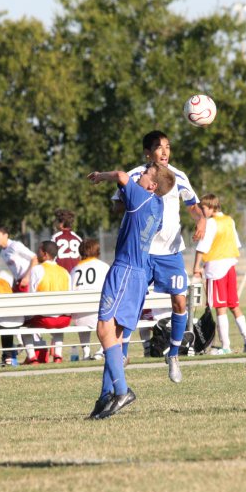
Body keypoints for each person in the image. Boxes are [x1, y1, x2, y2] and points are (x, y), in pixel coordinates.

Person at [113, 130, 205, 383]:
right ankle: (121, 354)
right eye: (158, 147)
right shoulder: (135, 175)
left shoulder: (178, 176)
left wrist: (201, 222)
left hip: (170, 252)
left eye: (167, 146)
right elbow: (116, 205)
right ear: (147, 152)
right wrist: (135, 195)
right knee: (132, 303)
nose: (164, 151)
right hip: (140, 252)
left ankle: (173, 355)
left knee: (180, 302)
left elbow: (194, 207)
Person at [88, 161, 176, 419]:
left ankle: (122, 391)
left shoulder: (142, 197)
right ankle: (106, 397)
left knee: (103, 329)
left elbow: (120, 175)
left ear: (153, 185)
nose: (140, 175)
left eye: (145, 173)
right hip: (139, 274)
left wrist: (99, 175)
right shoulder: (158, 206)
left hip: (125, 270)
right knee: (113, 336)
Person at [192, 193, 246, 354]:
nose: (202, 211)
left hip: (216, 269)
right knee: (234, 305)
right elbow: (236, 244)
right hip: (231, 266)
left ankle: (226, 346)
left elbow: (202, 247)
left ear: (211, 207)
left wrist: (196, 267)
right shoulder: (229, 220)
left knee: (220, 307)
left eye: (203, 208)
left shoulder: (211, 223)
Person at [21, 240, 71, 364]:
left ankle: (32, 358)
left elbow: (31, 296)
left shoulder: (37, 270)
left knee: (23, 326)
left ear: (45, 254)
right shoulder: (65, 272)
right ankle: (58, 356)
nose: (37, 253)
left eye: (39, 250)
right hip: (62, 319)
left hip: (44, 318)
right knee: (59, 325)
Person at [70, 239, 111, 360]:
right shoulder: (103, 266)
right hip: (99, 314)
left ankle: (86, 352)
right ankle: (101, 350)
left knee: (81, 312)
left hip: (80, 316)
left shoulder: (74, 270)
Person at [0, 227, 38, 292]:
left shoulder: (15, 245)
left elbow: (35, 258)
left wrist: (27, 278)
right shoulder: (2, 252)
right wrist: (14, 284)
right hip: (18, 282)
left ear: (5, 235)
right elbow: (15, 270)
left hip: (29, 281)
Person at [51, 209, 83, 273]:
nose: (55, 223)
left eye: (56, 221)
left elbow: (51, 258)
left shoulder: (55, 238)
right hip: (75, 274)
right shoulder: (78, 238)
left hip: (60, 274)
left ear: (61, 223)